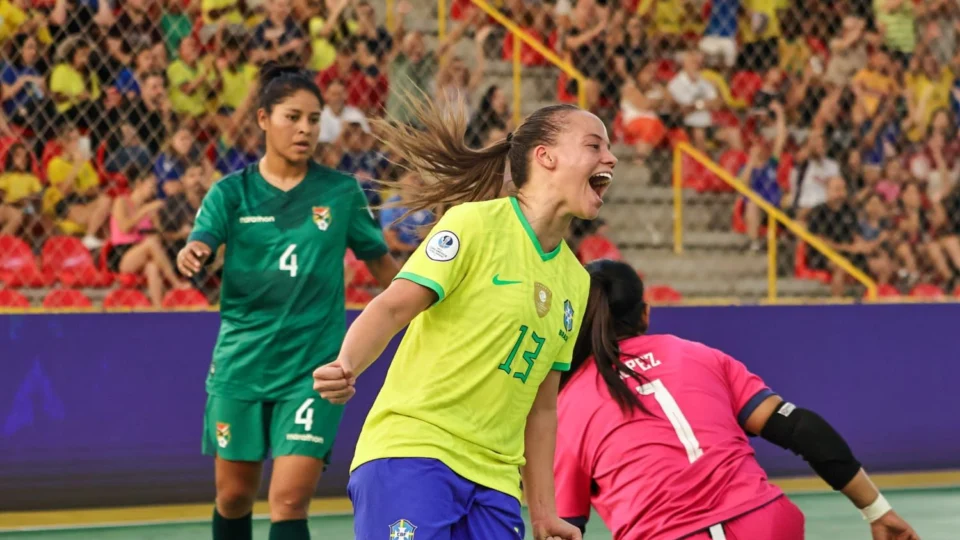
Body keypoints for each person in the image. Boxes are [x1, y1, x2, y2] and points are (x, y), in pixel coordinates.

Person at [313, 95, 617, 540]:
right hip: (416, 452)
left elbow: (542, 405)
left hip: (495, 483)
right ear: (545, 157)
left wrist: (543, 512)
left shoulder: (576, 280)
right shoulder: (473, 224)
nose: (610, 157)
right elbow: (394, 305)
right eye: (594, 146)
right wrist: (347, 364)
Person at [176, 63, 399, 540]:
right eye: (292, 117)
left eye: (314, 119)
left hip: (312, 370)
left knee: (289, 501)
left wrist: (434, 296)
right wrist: (194, 252)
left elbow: (385, 271)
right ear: (262, 119)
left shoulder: (340, 192)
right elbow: (202, 242)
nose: (304, 129)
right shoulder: (230, 193)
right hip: (241, 366)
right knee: (233, 497)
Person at [554, 259, 921, 540]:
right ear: (646, 314)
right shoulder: (698, 355)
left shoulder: (567, 404)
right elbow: (800, 428)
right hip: (766, 521)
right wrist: (877, 511)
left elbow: (565, 526)